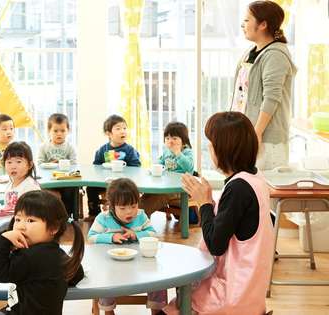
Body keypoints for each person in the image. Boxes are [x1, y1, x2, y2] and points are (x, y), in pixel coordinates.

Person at [163, 112, 275, 314]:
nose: (209, 148)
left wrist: (204, 203)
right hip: (250, 293)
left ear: (224, 150)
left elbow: (215, 244)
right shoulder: (256, 179)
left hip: (232, 296)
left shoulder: (238, 188)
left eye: (212, 143)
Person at [0, 190, 85, 315]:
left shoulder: (30, 256)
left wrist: (3, 241)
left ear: (53, 228)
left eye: (30, 220)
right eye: (18, 219)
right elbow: (78, 273)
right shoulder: (59, 255)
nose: (21, 226)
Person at [230, 0, 296, 170]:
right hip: (247, 135)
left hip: (265, 140)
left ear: (263, 24)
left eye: (247, 20)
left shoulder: (275, 55)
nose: (242, 25)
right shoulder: (251, 52)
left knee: (264, 190)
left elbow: (271, 98)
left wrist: (256, 134)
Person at [88, 178, 165, 315]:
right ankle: (108, 310)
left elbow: (153, 234)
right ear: (112, 206)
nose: (129, 212)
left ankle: (157, 309)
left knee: (157, 279)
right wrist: (111, 237)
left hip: (140, 263)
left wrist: (136, 234)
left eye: (133, 206)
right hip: (111, 266)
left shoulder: (141, 216)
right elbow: (91, 237)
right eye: (122, 208)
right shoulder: (104, 218)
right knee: (105, 280)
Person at [140, 122, 197, 223]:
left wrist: (178, 153)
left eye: (174, 138)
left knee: (160, 195)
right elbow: (159, 162)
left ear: (183, 140)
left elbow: (189, 168)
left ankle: (140, 216)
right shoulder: (167, 152)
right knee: (149, 193)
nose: (170, 141)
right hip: (167, 186)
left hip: (180, 189)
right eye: (167, 138)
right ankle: (138, 213)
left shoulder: (187, 152)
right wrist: (154, 168)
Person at [87, 115, 141, 217]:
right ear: (108, 133)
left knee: (124, 190)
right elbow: (96, 166)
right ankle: (94, 214)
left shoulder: (130, 150)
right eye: (118, 128)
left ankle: (118, 214)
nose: (123, 131)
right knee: (90, 188)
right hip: (105, 182)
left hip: (123, 183)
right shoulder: (103, 150)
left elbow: (136, 167)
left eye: (124, 128)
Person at [37, 113, 78, 216]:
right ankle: (51, 214)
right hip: (49, 179)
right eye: (55, 131)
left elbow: (74, 164)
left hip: (66, 178)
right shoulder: (44, 147)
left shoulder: (70, 147)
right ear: (49, 131)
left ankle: (68, 214)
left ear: (68, 131)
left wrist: (63, 164)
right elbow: (39, 164)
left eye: (63, 130)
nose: (59, 134)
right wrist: (50, 164)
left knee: (71, 189)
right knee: (46, 192)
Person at [0, 141, 40, 217]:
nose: (13, 166)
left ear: (30, 165)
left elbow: (32, 215)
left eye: (18, 161)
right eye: (9, 162)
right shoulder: (11, 183)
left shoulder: (31, 187)